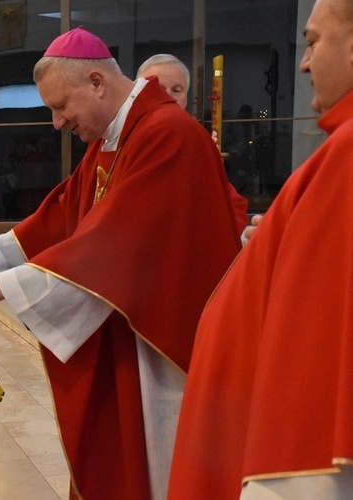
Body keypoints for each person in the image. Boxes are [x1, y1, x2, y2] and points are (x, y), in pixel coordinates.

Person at [0, 27, 243, 500]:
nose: (57, 122)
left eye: (61, 107)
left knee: (161, 461)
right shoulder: (116, 136)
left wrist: (4, 286)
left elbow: (117, 239)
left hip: (163, 339)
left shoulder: (167, 133)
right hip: (127, 323)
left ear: (97, 82)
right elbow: (66, 210)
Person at [168, 0, 353, 497]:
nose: (304, 62)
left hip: (290, 460)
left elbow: (317, 356)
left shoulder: (347, 157)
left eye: (313, 41)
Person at [138, 54, 249, 232]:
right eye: (157, 88)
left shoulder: (196, 143)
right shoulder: (119, 139)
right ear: (138, 92)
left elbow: (232, 207)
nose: (167, 97)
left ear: (186, 98)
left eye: (176, 90)